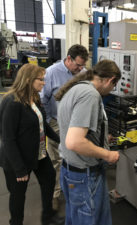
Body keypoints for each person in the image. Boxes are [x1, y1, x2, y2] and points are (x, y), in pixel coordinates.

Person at [55, 59, 121, 225]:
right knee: (90, 220)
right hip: (84, 176)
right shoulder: (90, 95)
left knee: (75, 218)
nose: (112, 90)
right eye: (114, 85)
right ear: (110, 80)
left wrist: (101, 137)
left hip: (71, 171)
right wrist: (107, 154)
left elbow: (74, 128)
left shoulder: (76, 89)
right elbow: (74, 142)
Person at [0, 64, 64, 225]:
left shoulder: (34, 97)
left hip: (37, 153)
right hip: (17, 159)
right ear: (28, 80)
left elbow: (43, 125)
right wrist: (20, 169)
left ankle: (47, 217)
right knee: (18, 195)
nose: (44, 83)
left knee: (49, 179)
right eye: (40, 80)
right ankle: (16, 222)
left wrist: (61, 140)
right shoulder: (13, 102)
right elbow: (8, 139)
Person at [40, 44, 89, 209]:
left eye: (83, 66)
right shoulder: (52, 72)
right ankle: (54, 193)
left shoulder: (82, 74)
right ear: (69, 59)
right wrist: (48, 125)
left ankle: (72, 189)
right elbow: (43, 100)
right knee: (56, 160)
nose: (80, 69)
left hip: (76, 122)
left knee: (75, 156)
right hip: (56, 122)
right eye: (78, 65)